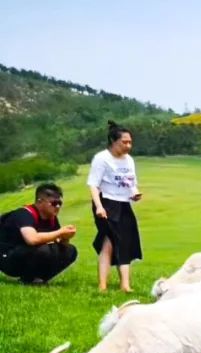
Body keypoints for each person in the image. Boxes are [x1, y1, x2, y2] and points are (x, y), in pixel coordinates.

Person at [88, 120, 142, 292]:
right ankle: (102, 285)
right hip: (106, 203)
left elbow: (130, 182)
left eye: (130, 142)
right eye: (124, 142)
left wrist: (135, 193)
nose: (128, 146)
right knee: (109, 242)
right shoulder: (102, 158)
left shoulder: (129, 160)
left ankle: (125, 285)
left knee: (125, 242)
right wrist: (99, 207)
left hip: (124, 203)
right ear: (113, 141)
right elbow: (93, 184)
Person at [0, 183, 77, 285]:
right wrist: (60, 232)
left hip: (25, 254)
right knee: (45, 250)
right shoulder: (24, 214)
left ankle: (39, 279)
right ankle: (27, 279)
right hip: (7, 258)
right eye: (54, 203)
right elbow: (32, 239)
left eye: (60, 203)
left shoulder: (51, 218)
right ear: (40, 201)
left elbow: (58, 242)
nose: (58, 206)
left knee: (70, 250)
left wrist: (65, 238)